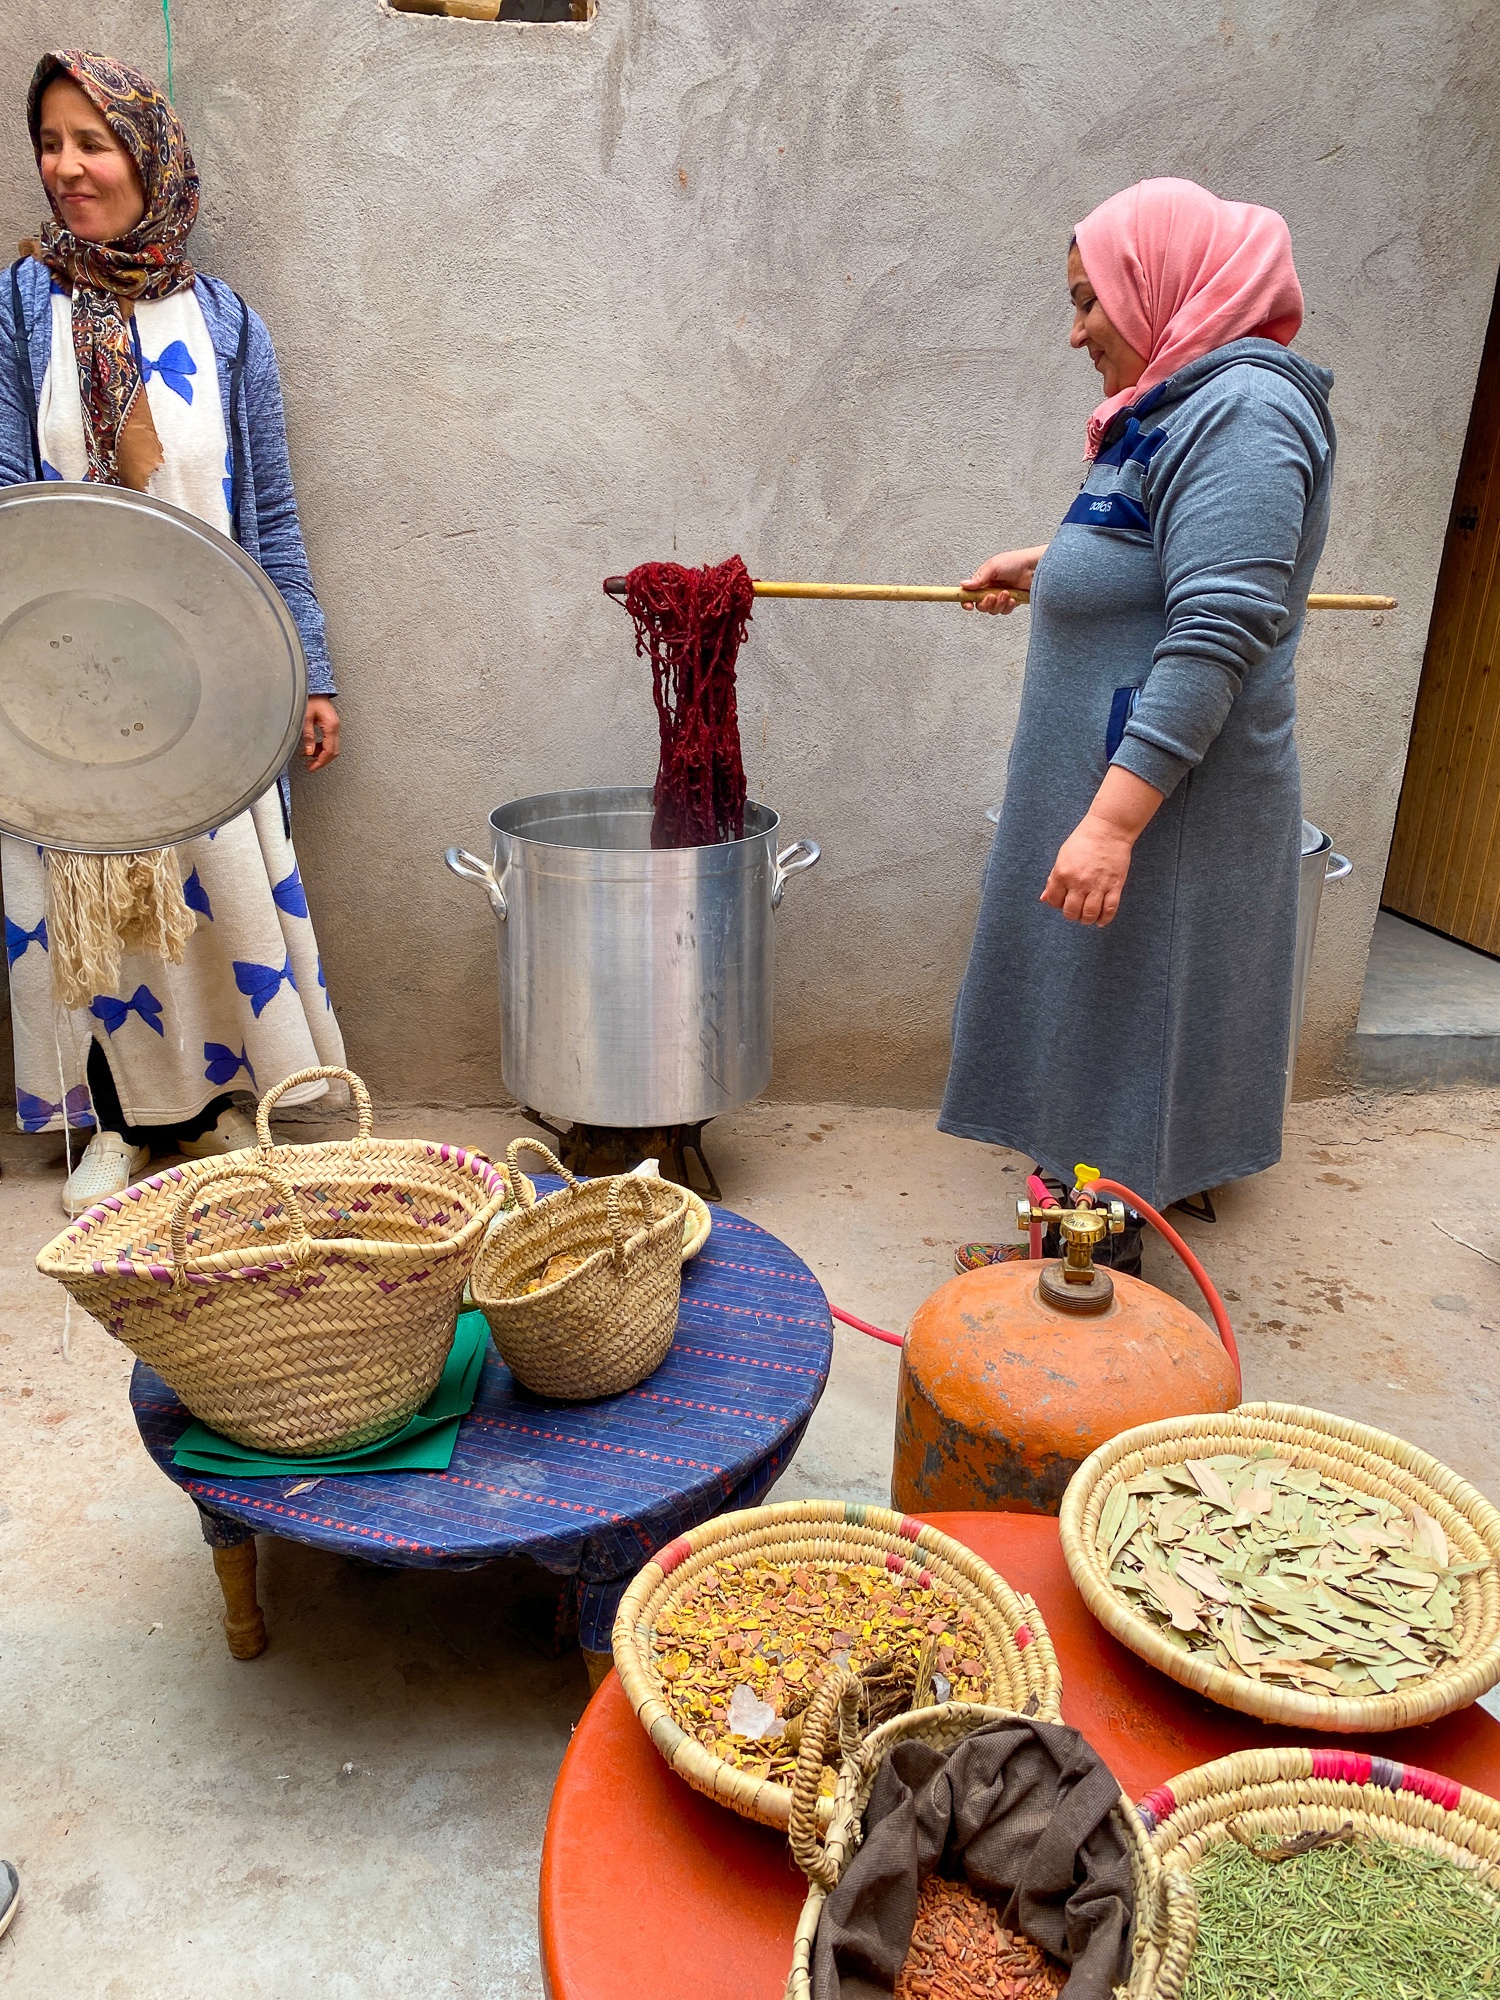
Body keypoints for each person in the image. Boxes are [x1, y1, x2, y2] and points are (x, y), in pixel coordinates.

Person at [942, 177, 1333, 1260]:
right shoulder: (1176, 401)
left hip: (1166, 799)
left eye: (1086, 300)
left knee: (1121, 1023)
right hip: (1127, 780)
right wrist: (1051, 565)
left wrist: (1113, 821)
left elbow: (1218, 627)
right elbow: (1158, 555)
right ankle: (1072, 1233)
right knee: (1092, 1011)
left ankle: (1088, 1281)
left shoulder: (1246, 412)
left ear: (1155, 283)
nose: (1074, 333)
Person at [0, 51, 346, 1213]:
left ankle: (220, 1111)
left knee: (215, 897)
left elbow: (271, 522)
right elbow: (8, 499)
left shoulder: (229, 324)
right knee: (90, 901)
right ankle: (113, 1126)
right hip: (64, 675)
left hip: (213, 674)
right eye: (51, 142)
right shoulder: (18, 308)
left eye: (92, 142)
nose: (67, 166)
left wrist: (310, 671)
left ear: (151, 159)